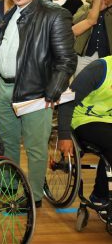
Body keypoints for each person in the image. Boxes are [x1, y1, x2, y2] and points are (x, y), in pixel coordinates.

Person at [0, 0, 77, 208]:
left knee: (36, 148)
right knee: (6, 141)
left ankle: (33, 196)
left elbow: (67, 60)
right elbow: (0, 50)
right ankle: (7, 186)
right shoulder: (11, 13)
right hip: (6, 89)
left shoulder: (54, 15)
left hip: (36, 94)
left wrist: (52, 92)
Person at [57, 56, 112, 221]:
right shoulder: (100, 68)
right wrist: (64, 135)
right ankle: (99, 196)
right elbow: (67, 101)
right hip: (84, 119)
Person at [72, 0, 112, 75]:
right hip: (83, 56)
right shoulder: (85, 7)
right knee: (79, 86)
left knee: (105, 88)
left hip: (108, 57)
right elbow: (75, 21)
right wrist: (96, 6)